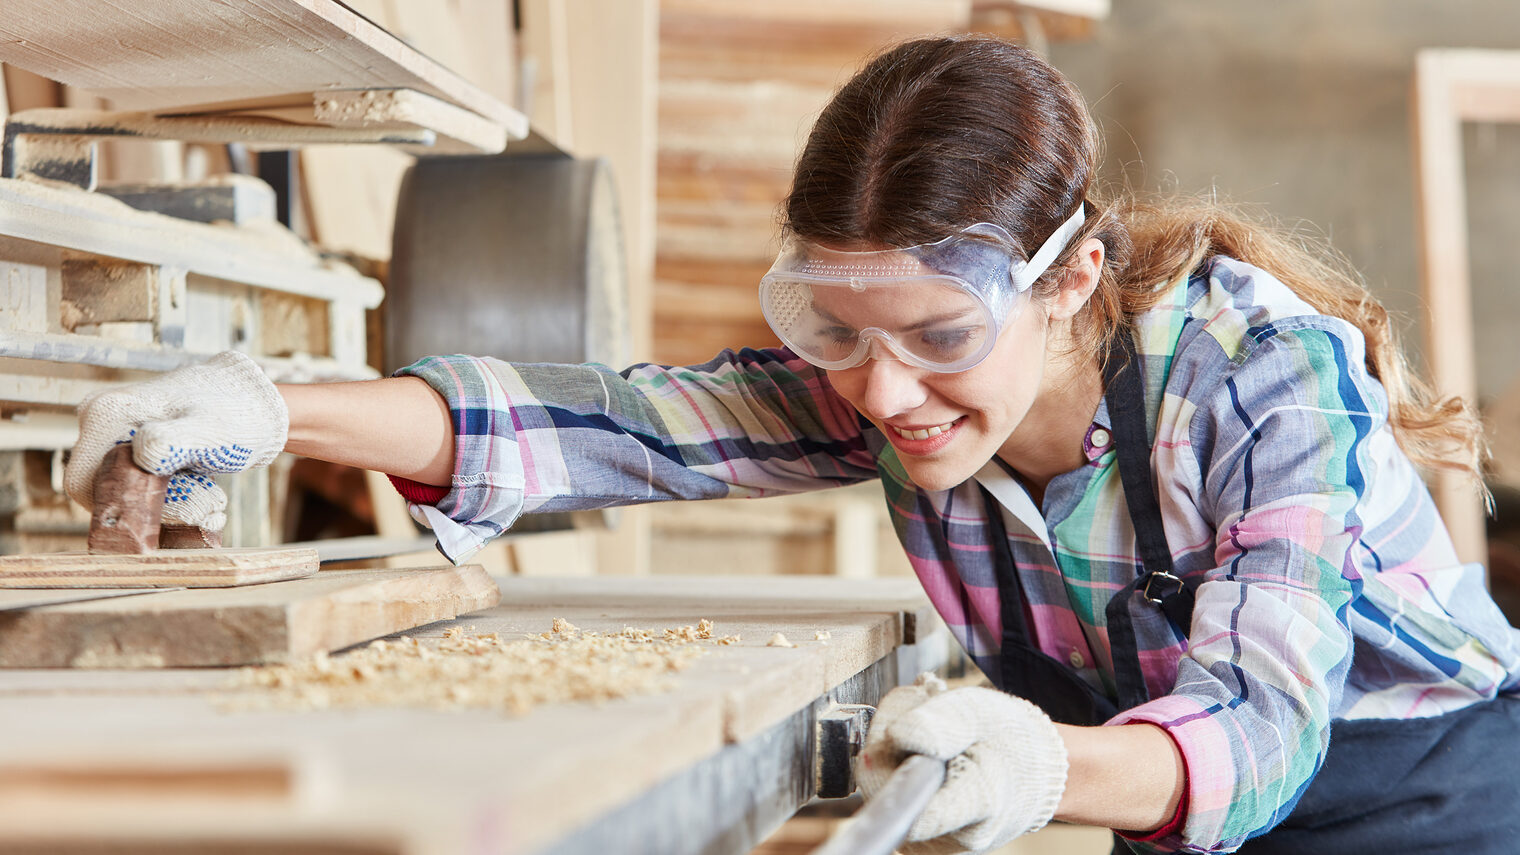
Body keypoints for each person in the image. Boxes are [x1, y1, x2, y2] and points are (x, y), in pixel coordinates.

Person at [62, 35, 1520, 855]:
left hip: (1428, 788)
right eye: (838, 332)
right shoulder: (891, 375)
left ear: (1068, 280)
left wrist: (1040, 772)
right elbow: (607, 425)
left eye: (942, 338)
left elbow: (1266, 726)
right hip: (1167, 795)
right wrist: (271, 406)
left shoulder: (1261, 374)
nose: (883, 398)